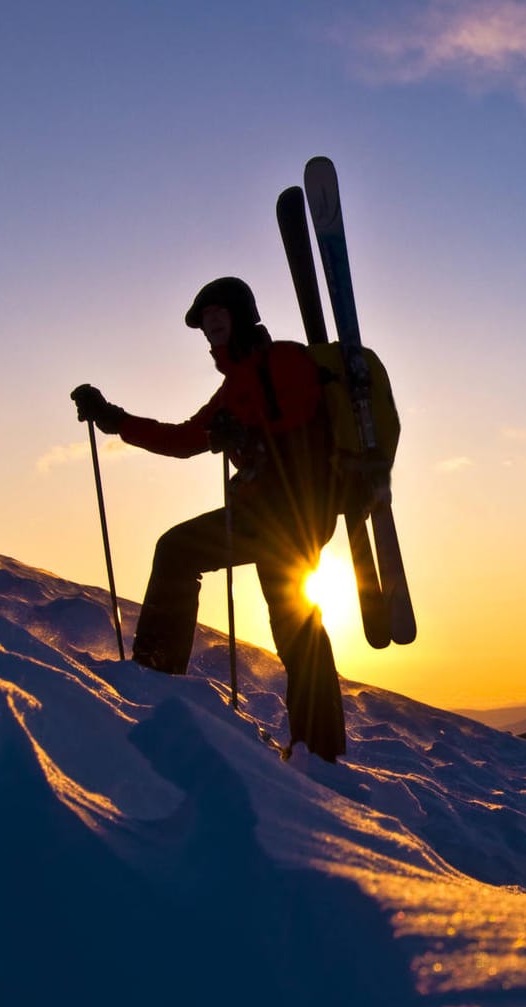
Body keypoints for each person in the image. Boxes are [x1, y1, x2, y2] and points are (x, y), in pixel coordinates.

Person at [72, 277, 364, 762]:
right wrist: (115, 419)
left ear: (240, 317)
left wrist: (249, 435)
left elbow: (300, 422)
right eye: (205, 326)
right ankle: (320, 750)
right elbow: (188, 439)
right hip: (264, 514)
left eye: (217, 320)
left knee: (193, 560)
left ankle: (158, 678)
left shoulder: (286, 362)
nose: (210, 332)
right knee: (290, 619)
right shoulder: (234, 385)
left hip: (291, 514)